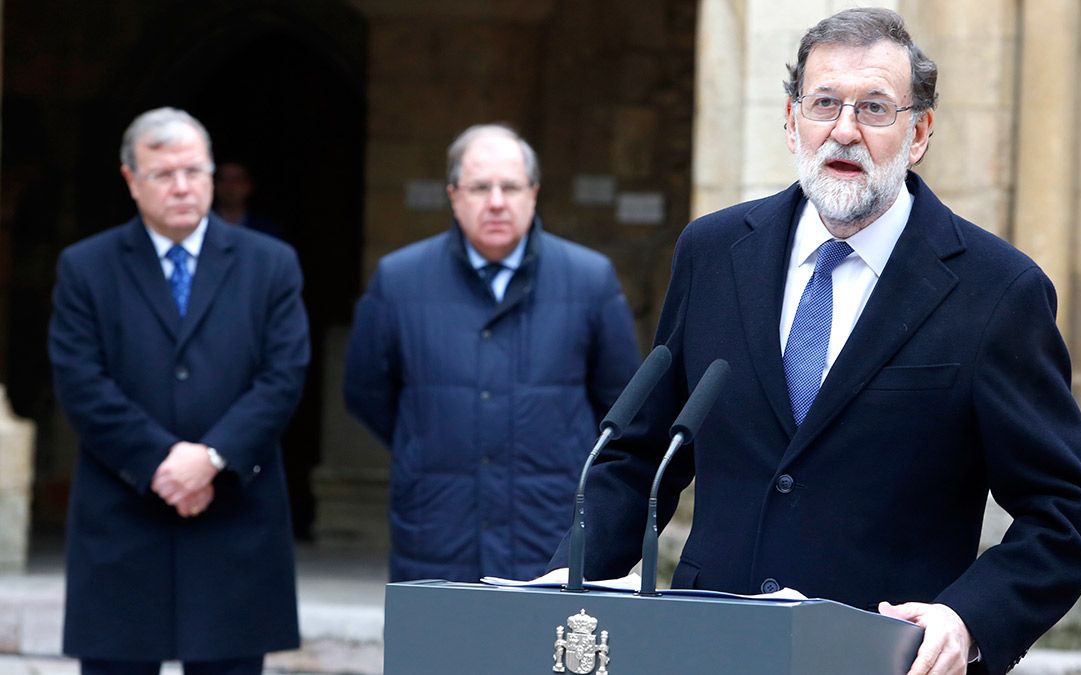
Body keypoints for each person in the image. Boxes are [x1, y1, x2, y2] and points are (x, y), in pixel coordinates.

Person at [548, 9, 1081, 675]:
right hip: (703, 645)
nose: (845, 130)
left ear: (920, 131)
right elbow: (641, 454)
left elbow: (1067, 514)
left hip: (880, 656)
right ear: (791, 121)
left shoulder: (996, 291)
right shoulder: (715, 252)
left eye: (875, 107)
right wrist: (568, 572)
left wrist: (968, 619)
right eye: (824, 104)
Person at [48, 107, 310, 675]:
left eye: (195, 171)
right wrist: (162, 461)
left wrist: (212, 457)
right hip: (124, 513)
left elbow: (284, 375)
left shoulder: (271, 265)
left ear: (214, 174)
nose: (183, 187)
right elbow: (79, 379)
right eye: (164, 174)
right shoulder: (86, 268)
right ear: (130, 179)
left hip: (234, 514)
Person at [344, 123, 641, 583]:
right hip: (437, 529)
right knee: (435, 655)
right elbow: (366, 391)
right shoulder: (399, 280)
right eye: (480, 187)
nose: (497, 201)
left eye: (511, 187)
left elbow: (621, 406)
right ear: (453, 195)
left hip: (549, 529)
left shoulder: (589, 280)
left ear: (534, 193)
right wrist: (425, 440)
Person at [212, 160, 285, 239]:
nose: (230, 186)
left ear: (249, 185)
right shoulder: (201, 225)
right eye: (223, 179)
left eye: (237, 180)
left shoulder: (266, 229)